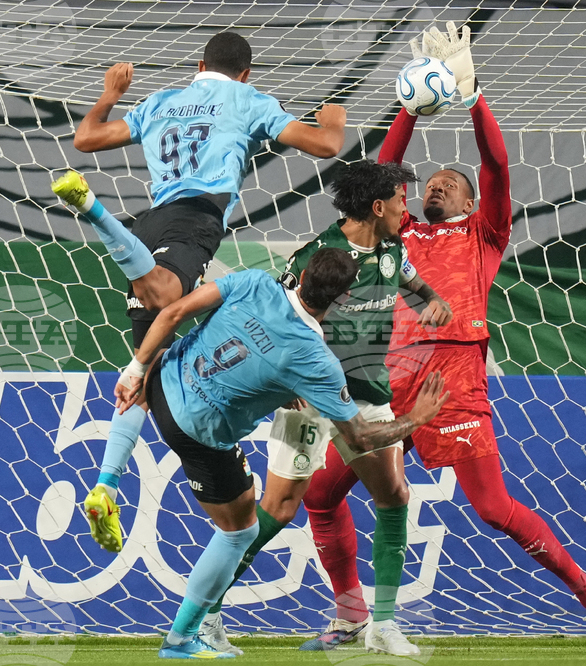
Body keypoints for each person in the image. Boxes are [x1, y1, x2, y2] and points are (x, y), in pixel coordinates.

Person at [298, 22, 586, 653]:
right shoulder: (400, 232)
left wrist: (473, 95)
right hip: (387, 375)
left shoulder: (485, 232)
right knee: (319, 494)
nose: (435, 186)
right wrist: (408, 107)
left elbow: (496, 165)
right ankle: (351, 615)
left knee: (492, 508)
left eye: (448, 184)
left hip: (451, 376)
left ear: (471, 201)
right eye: (428, 183)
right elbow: (382, 174)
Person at [50, 31, 347, 558]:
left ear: (199, 64)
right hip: (195, 220)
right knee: (165, 294)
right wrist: (335, 118)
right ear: (245, 73)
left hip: (148, 227)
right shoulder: (248, 99)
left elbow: (86, 138)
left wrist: (110, 93)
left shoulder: (161, 101)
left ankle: (106, 485)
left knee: (143, 368)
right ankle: (93, 209)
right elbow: (326, 146)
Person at [113, 247, 449, 659]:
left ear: (302, 275)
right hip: (197, 433)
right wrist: (416, 418)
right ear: (344, 297)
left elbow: (173, 313)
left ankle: (107, 481)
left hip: (161, 385)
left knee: (162, 358)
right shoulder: (315, 360)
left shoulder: (255, 282)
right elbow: (361, 437)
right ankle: (183, 637)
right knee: (240, 532)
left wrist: (135, 369)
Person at [197, 159, 452, 657]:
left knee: (394, 495)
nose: (407, 209)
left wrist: (433, 302)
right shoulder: (318, 257)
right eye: (400, 201)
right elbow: (273, 318)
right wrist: (286, 381)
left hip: (368, 394)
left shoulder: (392, 250)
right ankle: (206, 614)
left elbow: (415, 285)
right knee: (277, 509)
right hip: (310, 397)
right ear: (377, 207)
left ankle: (382, 626)